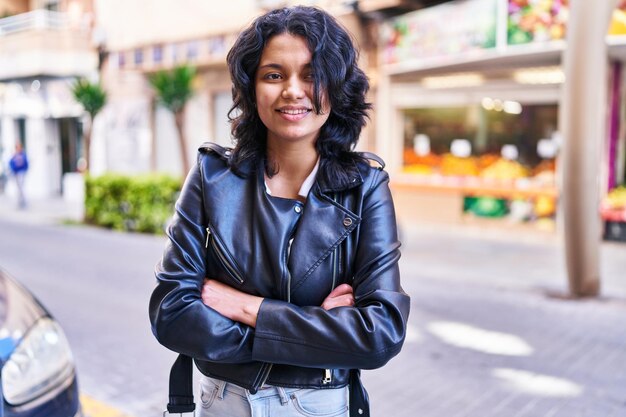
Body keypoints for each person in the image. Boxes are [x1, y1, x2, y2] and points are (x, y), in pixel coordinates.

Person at [149, 6, 410, 417]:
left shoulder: (365, 186)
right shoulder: (212, 177)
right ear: (252, 87)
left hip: (320, 406)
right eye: (274, 75)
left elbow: (380, 335)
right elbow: (172, 313)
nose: (292, 90)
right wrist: (311, 330)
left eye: (311, 74)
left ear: (336, 87)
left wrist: (246, 308)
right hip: (224, 402)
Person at [9, 142, 28, 209]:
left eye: (19, 147)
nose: (18, 148)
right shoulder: (14, 155)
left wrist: (25, 169)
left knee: (21, 187)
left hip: (21, 172)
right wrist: (13, 169)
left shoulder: (23, 155)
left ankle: (22, 201)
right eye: (17, 147)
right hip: (15, 173)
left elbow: (26, 163)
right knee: (18, 187)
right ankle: (20, 201)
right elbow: (10, 163)